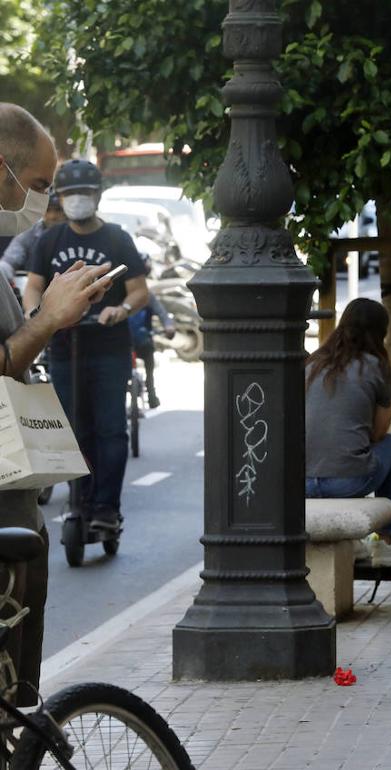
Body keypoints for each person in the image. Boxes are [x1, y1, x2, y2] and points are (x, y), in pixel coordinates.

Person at [0, 102, 115, 705]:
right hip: (4, 530)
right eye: (39, 185)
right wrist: (46, 320)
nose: (43, 202)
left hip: (16, 518)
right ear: (2, 169)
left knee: (17, 702)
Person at [24, 159, 149, 533]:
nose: (77, 201)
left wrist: (120, 309)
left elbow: (140, 291)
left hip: (109, 350)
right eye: (70, 194)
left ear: (97, 195)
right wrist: (36, 312)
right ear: (60, 198)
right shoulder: (50, 240)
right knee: (73, 430)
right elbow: (33, 284)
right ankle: (79, 500)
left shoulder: (116, 238)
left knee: (110, 429)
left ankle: (107, 508)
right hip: (64, 351)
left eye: (84, 194)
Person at [304, 298, 391, 566]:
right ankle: (385, 541)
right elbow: (376, 435)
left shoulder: (313, 363)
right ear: (380, 333)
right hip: (346, 482)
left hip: (303, 482)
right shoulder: (373, 366)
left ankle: (354, 544)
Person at [1, 191, 63, 285]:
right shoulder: (31, 232)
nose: (52, 216)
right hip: (34, 288)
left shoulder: (76, 231)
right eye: (47, 210)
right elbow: (9, 261)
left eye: (58, 210)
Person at [126, 289, 175, 409]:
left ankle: (151, 394)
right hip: (125, 341)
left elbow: (162, 313)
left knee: (149, 368)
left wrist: (168, 326)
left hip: (144, 338)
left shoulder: (147, 296)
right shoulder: (119, 294)